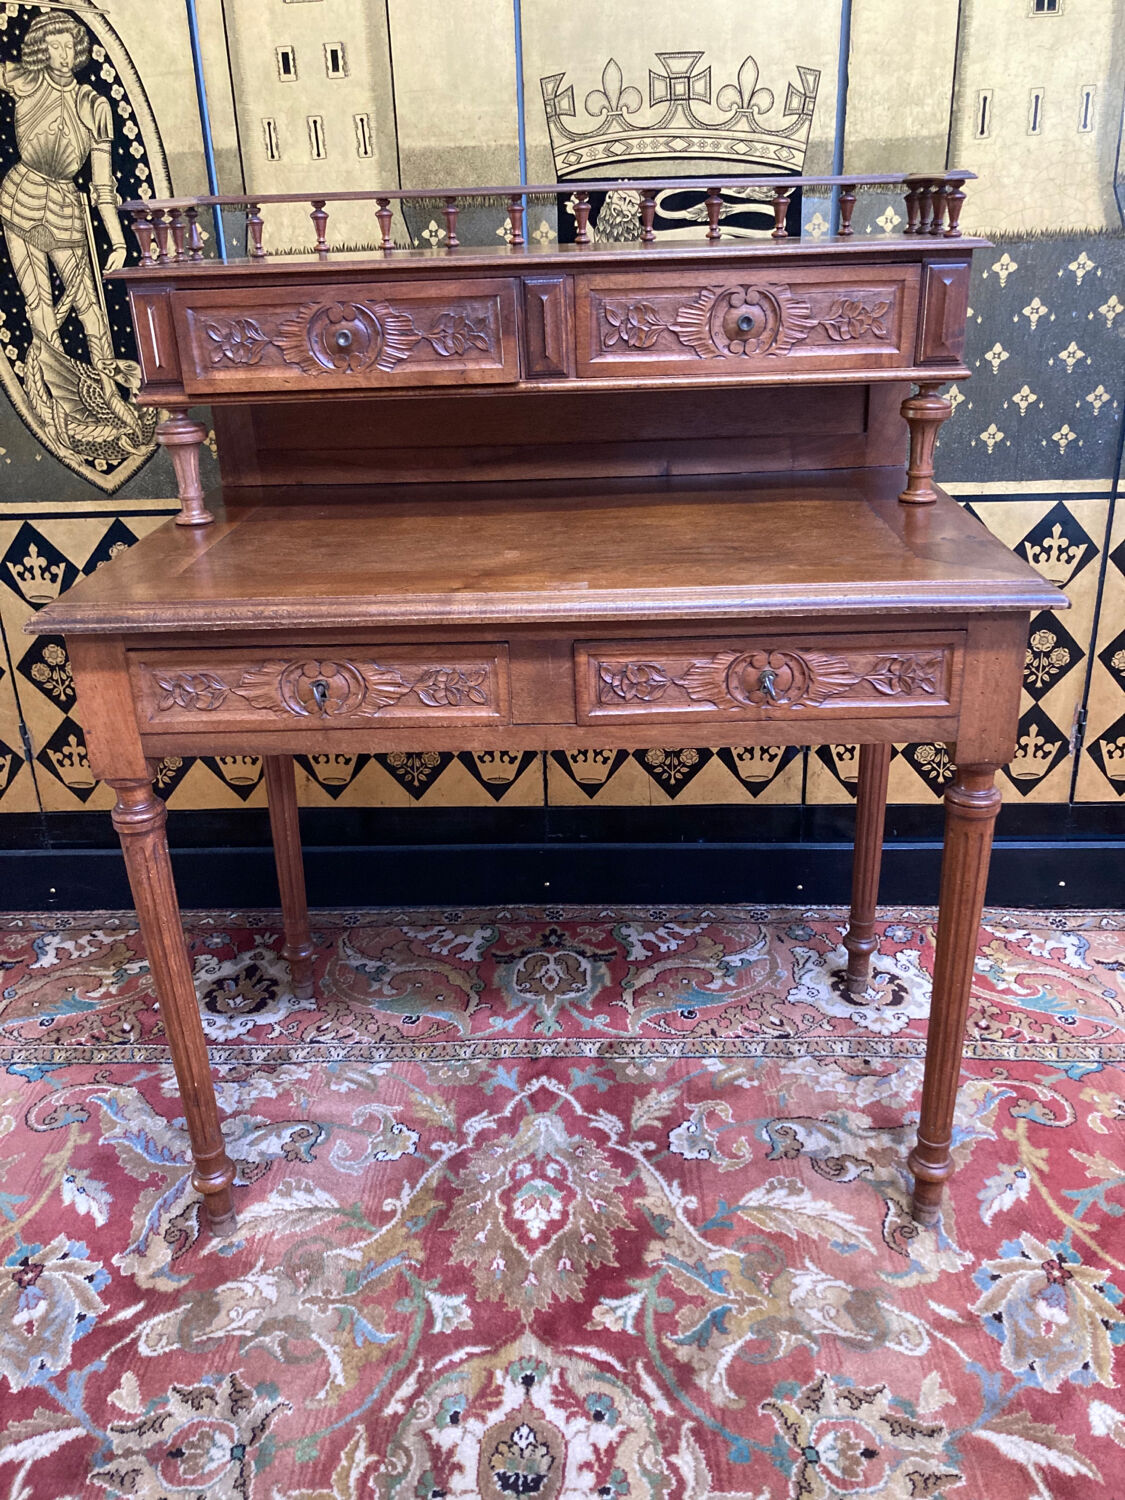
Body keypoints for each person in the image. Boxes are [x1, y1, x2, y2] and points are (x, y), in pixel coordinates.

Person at [0, 11, 144, 457]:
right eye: (55, 45)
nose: (63, 55)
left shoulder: (94, 105)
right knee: (38, 305)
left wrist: (118, 241)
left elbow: (104, 186)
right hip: (18, 198)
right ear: (43, 48)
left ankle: (111, 394)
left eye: (70, 46)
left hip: (66, 207)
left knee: (90, 308)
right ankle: (54, 409)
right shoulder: (24, 82)